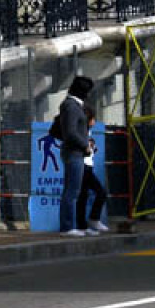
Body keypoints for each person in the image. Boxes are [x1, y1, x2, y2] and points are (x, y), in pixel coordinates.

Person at [58, 75, 94, 237]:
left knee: (75, 191)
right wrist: (84, 145)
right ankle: (67, 227)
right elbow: (71, 132)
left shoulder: (72, 105)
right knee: (71, 191)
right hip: (74, 152)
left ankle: (76, 225)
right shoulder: (72, 107)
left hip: (75, 152)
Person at [76, 105, 109, 234]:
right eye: (93, 119)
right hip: (82, 167)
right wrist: (87, 149)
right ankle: (83, 226)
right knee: (83, 196)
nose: (95, 121)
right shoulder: (81, 132)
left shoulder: (88, 132)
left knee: (99, 193)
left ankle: (92, 220)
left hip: (88, 167)